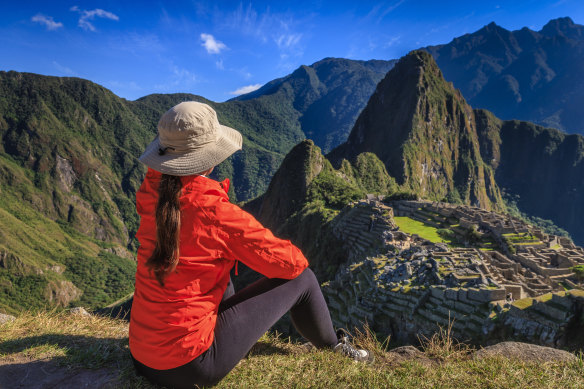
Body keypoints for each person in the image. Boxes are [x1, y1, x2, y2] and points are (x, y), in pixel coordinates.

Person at [129, 101, 372, 389]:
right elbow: (290, 263)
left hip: (142, 355)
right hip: (190, 367)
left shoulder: (150, 193)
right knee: (303, 279)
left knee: (218, 272)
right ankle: (335, 346)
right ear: (210, 157)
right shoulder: (213, 212)